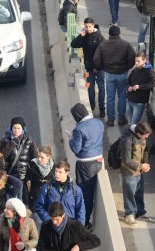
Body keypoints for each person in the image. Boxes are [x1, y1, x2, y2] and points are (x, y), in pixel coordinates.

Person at [67, 103, 103, 231]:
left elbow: (76, 149)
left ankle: (85, 222)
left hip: (85, 164)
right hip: (98, 160)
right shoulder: (99, 123)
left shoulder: (79, 129)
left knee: (84, 194)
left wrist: (71, 139)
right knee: (89, 192)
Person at [93, 25, 136, 126]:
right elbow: (132, 57)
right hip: (122, 74)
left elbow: (96, 59)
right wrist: (127, 67)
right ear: (119, 33)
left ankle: (111, 119)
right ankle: (121, 118)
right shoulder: (126, 45)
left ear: (109, 33)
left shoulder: (103, 45)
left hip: (109, 74)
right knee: (122, 97)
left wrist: (103, 67)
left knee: (110, 98)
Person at [0, 117, 39, 205]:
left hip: (24, 175)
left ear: (22, 129)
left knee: (24, 200)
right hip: (10, 174)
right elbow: (0, 156)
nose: (16, 130)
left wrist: (32, 173)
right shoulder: (5, 140)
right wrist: (11, 144)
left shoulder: (29, 140)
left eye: (19, 128)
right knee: (12, 198)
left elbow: (35, 157)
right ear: (11, 128)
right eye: (14, 128)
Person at [70, 17, 106, 117]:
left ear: (93, 26)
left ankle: (102, 108)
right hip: (89, 68)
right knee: (90, 88)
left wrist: (97, 67)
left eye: (89, 26)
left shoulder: (99, 37)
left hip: (100, 68)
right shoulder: (84, 36)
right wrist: (81, 36)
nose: (88, 28)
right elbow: (73, 45)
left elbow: (104, 54)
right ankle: (92, 105)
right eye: (86, 26)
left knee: (101, 87)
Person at [35, 159, 85, 226]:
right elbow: (39, 206)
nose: (57, 174)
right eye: (56, 171)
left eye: (60, 172)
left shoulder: (76, 190)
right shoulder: (47, 187)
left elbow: (80, 210)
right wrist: (50, 220)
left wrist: (79, 228)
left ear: (67, 173)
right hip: (52, 225)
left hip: (70, 226)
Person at [120, 121, 152, 225]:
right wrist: (140, 166)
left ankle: (139, 211)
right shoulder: (127, 140)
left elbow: (146, 150)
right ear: (138, 133)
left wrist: (145, 163)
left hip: (139, 171)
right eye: (145, 135)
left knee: (139, 192)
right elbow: (126, 160)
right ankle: (129, 214)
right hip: (129, 172)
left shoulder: (142, 138)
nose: (146, 137)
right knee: (129, 194)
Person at [26, 144, 55, 229]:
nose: (39, 159)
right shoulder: (32, 164)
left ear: (48, 156)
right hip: (35, 197)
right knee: (37, 223)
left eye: (42, 157)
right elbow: (27, 181)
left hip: (48, 199)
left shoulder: (54, 167)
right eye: (38, 156)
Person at [126, 52, 155, 125]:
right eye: (135, 61)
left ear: (144, 61)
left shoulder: (150, 72)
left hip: (139, 103)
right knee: (129, 124)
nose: (136, 63)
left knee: (133, 124)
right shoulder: (134, 70)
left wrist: (139, 87)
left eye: (138, 61)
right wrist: (128, 87)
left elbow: (154, 83)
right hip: (129, 100)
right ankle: (130, 135)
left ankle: (131, 135)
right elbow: (128, 81)